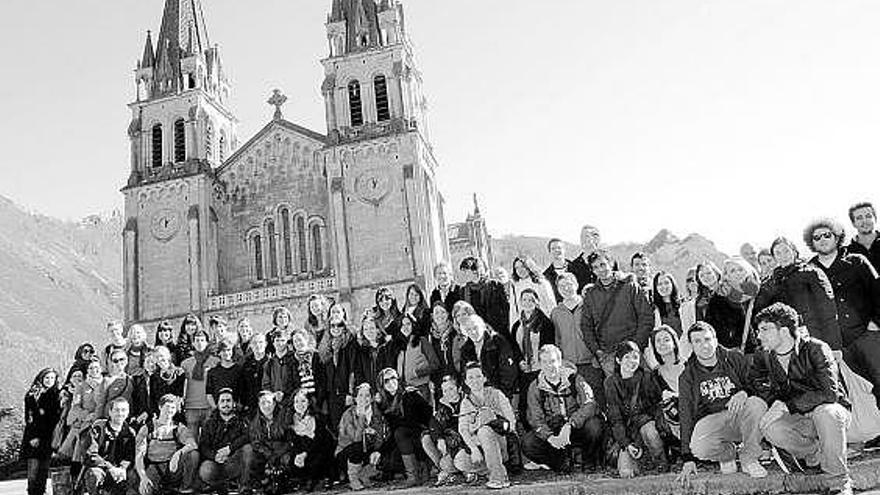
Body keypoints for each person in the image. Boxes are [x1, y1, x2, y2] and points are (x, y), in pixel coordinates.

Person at [752, 303, 852, 495]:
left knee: (826, 412)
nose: (759, 335)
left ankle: (839, 483)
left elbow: (830, 394)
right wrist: (774, 402)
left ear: (783, 330)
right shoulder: (763, 355)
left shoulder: (816, 348)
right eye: (758, 330)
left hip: (831, 414)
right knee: (770, 427)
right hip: (799, 418)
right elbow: (757, 383)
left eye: (765, 329)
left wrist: (786, 405)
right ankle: (816, 454)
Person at [677, 322, 768, 486]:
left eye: (707, 339)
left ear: (715, 339)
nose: (704, 345)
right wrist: (687, 458)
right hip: (713, 421)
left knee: (756, 404)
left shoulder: (734, 357)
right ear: (691, 345)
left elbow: (758, 385)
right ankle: (728, 455)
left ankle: (749, 458)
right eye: (697, 341)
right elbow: (686, 414)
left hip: (741, 416)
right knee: (698, 448)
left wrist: (744, 392)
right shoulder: (687, 376)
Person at [806, 217, 880, 402]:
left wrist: (875, 323)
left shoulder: (857, 261)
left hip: (867, 335)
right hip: (836, 345)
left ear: (836, 237)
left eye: (827, 235)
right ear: (811, 242)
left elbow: (878, 292)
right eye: (817, 237)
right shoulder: (808, 270)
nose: (822, 239)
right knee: (858, 393)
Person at [580, 249, 653, 407]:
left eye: (603, 264)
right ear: (592, 271)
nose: (601, 269)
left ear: (611, 263)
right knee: (618, 400)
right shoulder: (591, 296)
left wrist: (636, 346)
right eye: (596, 267)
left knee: (646, 394)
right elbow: (586, 327)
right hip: (608, 355)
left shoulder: (629, 287)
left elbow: (646, 317)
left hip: (634, 352)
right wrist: (598, 351)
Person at [523, 345, 605, 473]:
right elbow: (535, 417)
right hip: (554, 429)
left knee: (594, 425)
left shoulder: (575, 379)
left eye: (553, 361)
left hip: (576, 426)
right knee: (528, 444)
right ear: (540, 364)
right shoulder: (535, 387)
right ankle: (559, 462)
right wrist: (550, 437)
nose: (549, 366)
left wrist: (571, 424)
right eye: (545, 362)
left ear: (560, 362)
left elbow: (590, 404)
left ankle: (588, 460)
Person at [753, 236, 841, 350]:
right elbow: (760, 311)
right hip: (787, 342)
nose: (783, 256)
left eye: (786, 251)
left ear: (794, 251)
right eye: (778, 253)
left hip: (815, 337)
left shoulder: (812, 273)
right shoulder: (772, 282)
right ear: (775, 257)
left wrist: (835, 346)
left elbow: (829, 312)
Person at [604, 341, 668, 478]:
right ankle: (641, 459)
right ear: (618, 360)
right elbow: (615, 418)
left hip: (646, 424)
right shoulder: (611, 383)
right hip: (627, 430)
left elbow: (657, 405)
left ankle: (661, 462)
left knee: (650, 431)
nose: (632, 361)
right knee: (626, 473)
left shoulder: (647, 377)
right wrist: (626, 443)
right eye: (627, 357)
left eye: (635, 357)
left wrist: (658, 425)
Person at [458, 362, 516, 489]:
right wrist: (473, 449)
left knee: (484, 431)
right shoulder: (465, 402)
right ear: (466, 382)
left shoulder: (496, 394)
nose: (475, 381)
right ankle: (493, 469)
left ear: (484, 378)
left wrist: (492, 420)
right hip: (479, 446)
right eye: (470, 378)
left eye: (478, 376)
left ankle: (498, 478)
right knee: (459, 460)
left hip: (500, 442)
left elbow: (511, 422)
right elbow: (463, 430)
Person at [375, 367, 433, 487]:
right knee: (388, 457)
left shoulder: (409, 395)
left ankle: (417, 473)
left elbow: (413, 422)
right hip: (406, 437)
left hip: (423, 434)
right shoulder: (386, 404)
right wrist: (380, 451)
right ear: (382, 385)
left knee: (400, 433)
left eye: (393, 378)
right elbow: (393, 429)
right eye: (386, 381)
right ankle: (415, 472)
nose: (391, 382)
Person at [133, 394, 200, 495]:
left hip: (172, 468)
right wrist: (143, 477)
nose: (170, 410)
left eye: (173, 408)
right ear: (160, 407)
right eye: (167, 407)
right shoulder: (148, 428)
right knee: (144, 491)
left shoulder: (178, 427)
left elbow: (193, 444)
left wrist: (178, 454)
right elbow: (139, 455)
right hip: (154, 467)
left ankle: (185, 488)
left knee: (193, 454)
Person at [198, 388, 254, 495]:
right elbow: (203, 446)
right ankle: (220, 485)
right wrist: (215, 456)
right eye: (222, 401)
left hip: (234, 461)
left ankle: (244, 487)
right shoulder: (209, 422)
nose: (225, 404)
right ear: (217, 404)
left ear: (233, 403)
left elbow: (248, 436)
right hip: (216, 461)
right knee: (205, 471)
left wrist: (229, 449)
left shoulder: (242, 420)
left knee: (248, 448)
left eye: (228, 400)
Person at [336, 382, 389, 491]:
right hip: (348, 453)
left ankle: (364, 474)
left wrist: (377, 450)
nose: (363, 398)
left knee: (385, 455)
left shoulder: (377, 413)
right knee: (357, 447)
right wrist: (361, 417)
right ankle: (354, 479)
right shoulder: (348, 414)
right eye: (360, 395)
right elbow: (355, 440)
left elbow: (383, 437)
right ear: (355, 398)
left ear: (372, 398)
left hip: (367, 450)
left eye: (367, 395)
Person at [459, 314, 521, 400]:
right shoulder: (466, 349)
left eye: (475, 328)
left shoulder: (498, 341)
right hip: (478, 397)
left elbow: (508, 372)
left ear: (482, 327)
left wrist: (500, 395)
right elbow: (464, 375)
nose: (473, 332)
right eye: (468, 330)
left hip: (500, 394)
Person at [82, 397, 137, 495]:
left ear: (128, 413)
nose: (120, 413)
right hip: (100, 468)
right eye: (117, 410)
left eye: (123, 410)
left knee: (133, 478)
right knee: (93, 474)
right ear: (110, 412)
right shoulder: (99, 427)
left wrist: (122, 469)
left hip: (119, 470)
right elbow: (91, 454)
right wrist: (110, 467)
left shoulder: (130, 433)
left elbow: (130, 456)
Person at [422, 374, 468, 485]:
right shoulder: (443, 405)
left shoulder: (467, 402)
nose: (448, 393)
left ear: (459, 389)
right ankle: (446, 470)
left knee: (453, 461)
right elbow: (434, 423)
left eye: (451, 389)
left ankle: (462, 471)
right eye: (445, 390)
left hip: (464, 445)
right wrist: (439, 439)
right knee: (426, 437)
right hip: (450, 445)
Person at [21, 368, 61, 495]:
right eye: (47, 378)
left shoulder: (56, 394)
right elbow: (29, 417)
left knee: (43, 471)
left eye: (52, 378)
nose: (50, 381)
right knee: (33, 471)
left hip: (49, 437)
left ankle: (41, 492)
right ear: (41, 378)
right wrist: (33, 436)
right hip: (34, 436)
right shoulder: (33, 394)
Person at [318, 301, 358, 428]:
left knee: (351, 428)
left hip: (347, 393)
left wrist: (351, 393)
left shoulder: (350, 344)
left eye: (339, 325)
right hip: (332, 396)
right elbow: (323, 375)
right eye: (332, 325)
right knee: (337, 429)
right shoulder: (325, 348)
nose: (336, 328)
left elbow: (353, 369)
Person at [288, 389, 335, 492]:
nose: (300, 404)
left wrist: (305, 454)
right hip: (302, 452)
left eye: (303, 401)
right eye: (296, 401)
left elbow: (320, 442)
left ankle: (320, 478)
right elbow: (294, 442)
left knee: (318, 457)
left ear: (309, 402)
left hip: (317, 452)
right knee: (291, 460)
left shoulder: (318, 418)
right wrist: (298, 454)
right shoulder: (290, 420)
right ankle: (304, 479)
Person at [648, 326, 688, 443]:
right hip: (673, 421)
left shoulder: (689, 366)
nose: (662, 344)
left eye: (666, 339)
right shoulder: (655, 374)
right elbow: (654, 403)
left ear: (674, 343)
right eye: (658, 341)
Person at [65, 358, 105, 473]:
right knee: (81, 450)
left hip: (103, 421)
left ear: (101, 369)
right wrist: (88, 415)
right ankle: (76, 480)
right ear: (87, 371)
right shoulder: (81, 387)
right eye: (91, 368)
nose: (94, 370)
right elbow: (76, 406)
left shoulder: (106, 383)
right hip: (87, 422)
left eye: (97, 367)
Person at [549, 273, 592, 380]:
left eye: (569, 284)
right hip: (568, 364)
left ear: (576, 285)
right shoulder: (556, 312)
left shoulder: (588, 306)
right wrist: (561, 361)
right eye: (561, 286)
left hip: (590, 362)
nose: (566, 288)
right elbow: (557, 339)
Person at [460, 256, 511, 342]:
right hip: (477, 333)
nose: (463, 274)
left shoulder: (495, 285)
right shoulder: (463, 290)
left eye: (465, 271)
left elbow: (506, 309)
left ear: (474, 271)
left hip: (498, 331)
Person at [250, 391, 293, 494]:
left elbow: (290, 439)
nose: (266, 406)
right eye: (263, 403)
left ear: (274, 404)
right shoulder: (255, 422)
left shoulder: (284, 417)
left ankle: (286, 480)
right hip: (266, 453)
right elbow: (255, 442)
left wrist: (277, 454)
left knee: (287, 459)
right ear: (259, 405)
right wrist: (268, 453)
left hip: (282, 451)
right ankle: (263, 482)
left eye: (269, 402)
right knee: (252, 458)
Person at [180, 330, 219, 442]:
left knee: (208, 441)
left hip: (209, 406)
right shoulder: (185, 363)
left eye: (202, 340)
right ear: (193, 343)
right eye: (197, 340)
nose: (199, 343)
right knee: (192, 442)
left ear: (207, 342)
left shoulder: (215, 362)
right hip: (191, 407)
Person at [512, 289, 555, 388]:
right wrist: (520, 361)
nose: (527, 303)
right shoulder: (516, 325)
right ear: (520, 302)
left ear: (537, 302)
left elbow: (549, 346)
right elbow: (514, 346)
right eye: (524, 300)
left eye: (531, 300)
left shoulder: (545, 323)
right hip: (524, 369)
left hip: (541, 368)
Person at [396, 315, 441, 402]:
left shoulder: (422, 341)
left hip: (422, 388)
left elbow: (435, 364)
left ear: (413, 325)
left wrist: (418, 372)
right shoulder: (399, 346)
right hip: (406, 389)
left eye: (408, 324)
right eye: (402, 325)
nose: (405, 327)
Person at [427, 302, 467, 395]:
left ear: (447, 314)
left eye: (442, 312)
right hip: (439, 381)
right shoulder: (430, 337)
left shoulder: (455, 332)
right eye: (437, 312)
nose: (440, 315)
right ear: (432, 316)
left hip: (456, 377)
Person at [353, 312, 396, 392]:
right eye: (366, 329)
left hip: (387, 390)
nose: (369, 331)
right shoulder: (361, 350)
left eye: (372, 328)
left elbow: (391, 368)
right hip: (369, 392)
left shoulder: (387, 346)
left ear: (378, 329)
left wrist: (383, 390)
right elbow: (359, 373)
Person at [509, 257, 556, 330]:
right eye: (517, 268)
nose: (520, 270)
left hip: (543, 323)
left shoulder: (542, 283)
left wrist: (553, 324)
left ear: (529, 266)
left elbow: (551, 304)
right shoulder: (515, 286)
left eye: (522, 266)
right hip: (524, 326)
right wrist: (513, 328)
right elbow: (513, 310)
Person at [569, 225, 619, 293]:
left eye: (587, 236)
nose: (583, 239)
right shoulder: (573, 265)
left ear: (596, 238)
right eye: (581, 236)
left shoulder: (608, 260)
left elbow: (617, 281)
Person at [289, 329, 327, 407]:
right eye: (295, 341)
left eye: (300, 340)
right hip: (302, 399)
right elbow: (293, 381)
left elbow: (323, 379)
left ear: (306, 339)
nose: (298, 343)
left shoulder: (316, 356)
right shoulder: (292, 360)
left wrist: (319, 398)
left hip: (318, 397)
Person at [148, 346, 185, 421]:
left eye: (162, 356)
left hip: (175, 412)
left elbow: (182, 395)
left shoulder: (180, 373)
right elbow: (152, 398)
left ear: (168, 356)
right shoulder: (153, 377)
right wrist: (154, 413)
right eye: (156, 357)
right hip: (160, 413)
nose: (160, 359)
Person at [262, 330, 297, 406]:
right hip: (274, 401)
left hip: (291, 401)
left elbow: (296, 382)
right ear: (273, 343)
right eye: (277, 340)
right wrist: (273, 395)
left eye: (283, 340)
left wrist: (286, 394)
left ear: (287, 342)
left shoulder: (293, 360)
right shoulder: (269, 363)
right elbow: (265, 384)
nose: (280, 343)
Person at [205, 340, 243, 409]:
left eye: (228, 350)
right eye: (223, 351)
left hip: (236, 410)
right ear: (219, 353)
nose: (226, 353)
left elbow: (243, 391)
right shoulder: (212, 372)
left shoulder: (239, 370)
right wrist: (216, 408)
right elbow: (209, 394)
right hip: (219, 410)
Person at [240, 333, 268, 417]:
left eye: (260, 342)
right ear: (251, 345)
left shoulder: (271, 363)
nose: (258, 345)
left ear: (266, 344)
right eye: (255, 343)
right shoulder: (246, 364)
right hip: (250, 407)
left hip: (267, 406)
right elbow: (242, 386)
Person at [101, 349, 135, 418]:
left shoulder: (131, 379)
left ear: (126, 360)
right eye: (115, 361)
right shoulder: (107, 380)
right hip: (111, 417)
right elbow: (101, 403)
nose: (119, 362)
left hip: (127, 417)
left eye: (121, 359)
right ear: (112, 363)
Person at [848, 201, 880, 272]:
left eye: (868, 216)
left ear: (875, 219)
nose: (864, 221)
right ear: (853, 223)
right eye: (859, 218)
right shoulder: (848, 252)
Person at [543, 238, 575, 303]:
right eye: (553, 248)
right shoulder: (546, 276)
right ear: (549, 252)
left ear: (564, 250)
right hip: (559, 310)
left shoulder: (576, 268)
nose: (556, 250)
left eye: (559, 247)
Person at [653, 271, 683, 336]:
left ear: (672, 284)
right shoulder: (653, 308)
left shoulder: (683, 304)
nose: (663, 286)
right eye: (660, 284)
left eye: (666, 283)